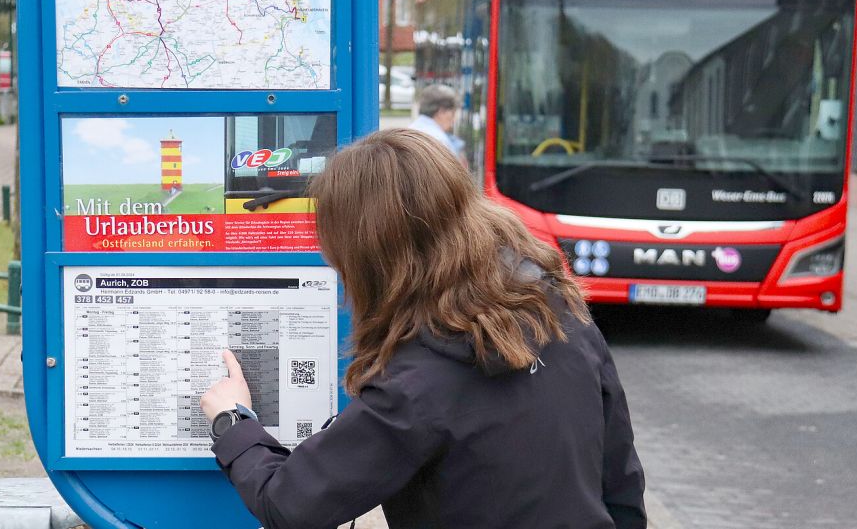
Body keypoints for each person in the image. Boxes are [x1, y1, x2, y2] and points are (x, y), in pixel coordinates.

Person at [201, 129, 646, 529]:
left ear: (371, 256)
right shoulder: (562, 313)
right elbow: (622, 485)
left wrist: (233, 420)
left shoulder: (416, 386)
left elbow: (289, 506)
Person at [409, 84, 466, 163]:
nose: (454, 119)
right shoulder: (440, 141)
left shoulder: (410, 129)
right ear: (441, 112)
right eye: (453, 113)